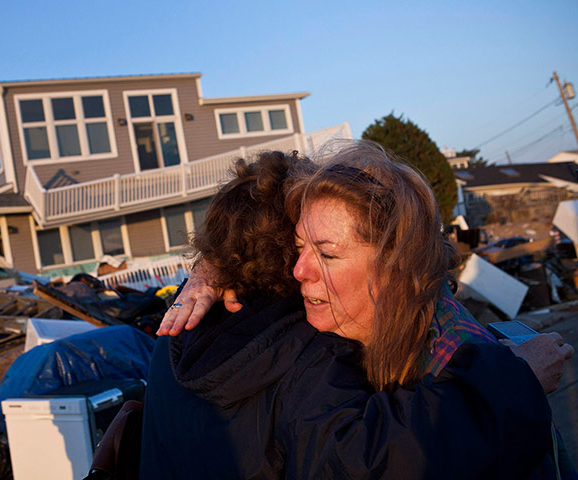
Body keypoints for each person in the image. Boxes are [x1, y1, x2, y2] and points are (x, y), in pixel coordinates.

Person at [143, 144, 572, 479]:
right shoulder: (308, 355)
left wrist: (210, 266)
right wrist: (515, 382)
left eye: (323, 252)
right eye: (297, 247)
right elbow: (379, 460)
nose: (301, 267)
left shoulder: (176, 331)